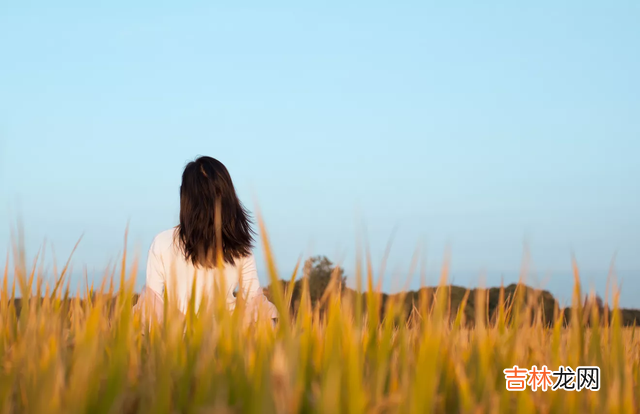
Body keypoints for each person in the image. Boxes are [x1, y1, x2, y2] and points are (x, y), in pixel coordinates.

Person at [135, 156, 277, 326]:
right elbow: (255, 303)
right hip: (228, 340)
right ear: (227, 197)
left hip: (179, 339)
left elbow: (152, 307)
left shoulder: (163, 242)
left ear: (185, 196)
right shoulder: (239, 246)